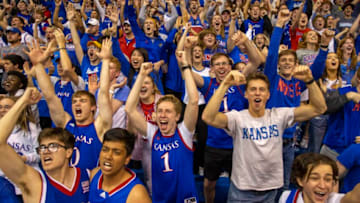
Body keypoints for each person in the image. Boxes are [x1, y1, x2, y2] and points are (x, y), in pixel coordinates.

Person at [202, 69, 327, 202]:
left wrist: (310, 80)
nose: (257, 93)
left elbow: (319, 108)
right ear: (246, 94)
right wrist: (225, 84)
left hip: (271, 189)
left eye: (262, 90)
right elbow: (208, 117)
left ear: (268, 95)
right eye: (253, 89)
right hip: (242, 190)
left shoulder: (279, 115)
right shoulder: (237, 118)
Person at [125, 50, 199, 202]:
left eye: (168, 112)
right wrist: (140, 75)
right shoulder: (152, 132)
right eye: (159, 112)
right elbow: (129, 109)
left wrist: (185, 67)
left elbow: (193, 100)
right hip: (161, 197)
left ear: (177, 116)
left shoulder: (184, 132)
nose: (163, 115)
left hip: (184, 197)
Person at [31, 38, 112, 170]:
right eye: (74, 101)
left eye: (82, 101)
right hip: (65, 182)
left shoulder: (99, 126)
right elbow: (50, 97)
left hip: (90, 185)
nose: (77, 104)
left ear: (93, 107)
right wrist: (38, 64)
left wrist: (106, 61)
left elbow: (103, 93)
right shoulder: (66, 123)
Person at [0, 88, 89, 202]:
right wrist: (23, 101)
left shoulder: (87, 176)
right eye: (42, 147)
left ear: (68, 152)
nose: (46, 151)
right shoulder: (34, 182)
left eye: (53, 146)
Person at [89, 128, 151, 202]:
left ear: (127, 158)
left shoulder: (137, 194)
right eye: (105, 150)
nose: (108, 156)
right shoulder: (95, 174)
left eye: (116, 153)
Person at [280, 153, 360, 203]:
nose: (322, 185)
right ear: (300, 180)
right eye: (315, 178)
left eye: (328, 179)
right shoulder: (287, 197)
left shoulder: (334, 200)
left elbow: (355, 197)